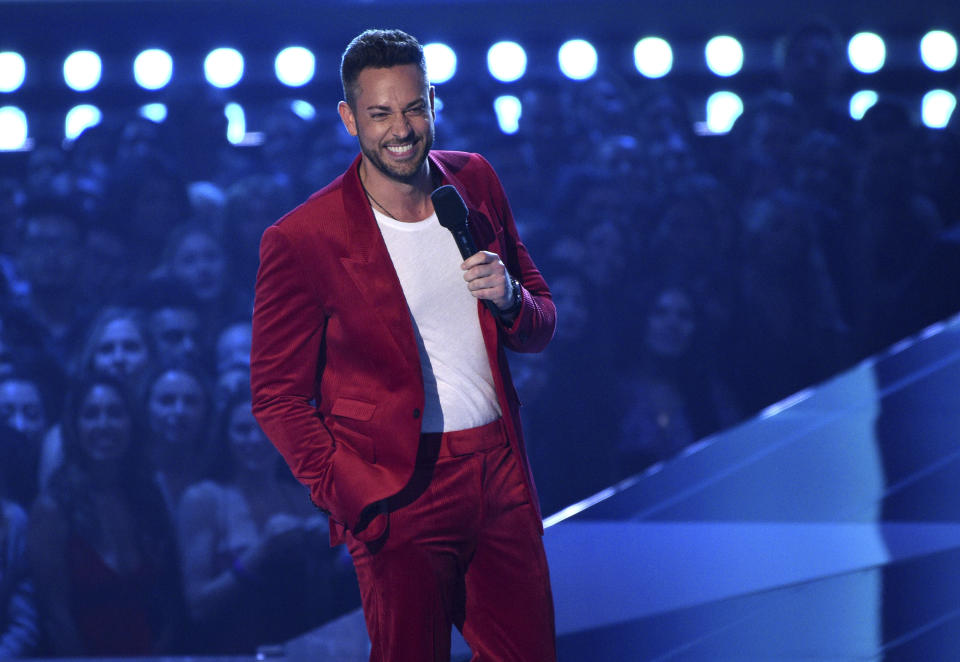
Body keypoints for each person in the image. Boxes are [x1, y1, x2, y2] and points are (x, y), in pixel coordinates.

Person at [250, 29, 557, 662]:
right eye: (381, 113)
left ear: (432, 103)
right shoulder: (303, 238)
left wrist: (508, 300)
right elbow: (277, 397)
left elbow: (541, 321)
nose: (402, 129)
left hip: (500, 468)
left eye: (414, 108)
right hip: (397, 486)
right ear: (349, 118)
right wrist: (353, 493)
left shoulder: (474, 181)